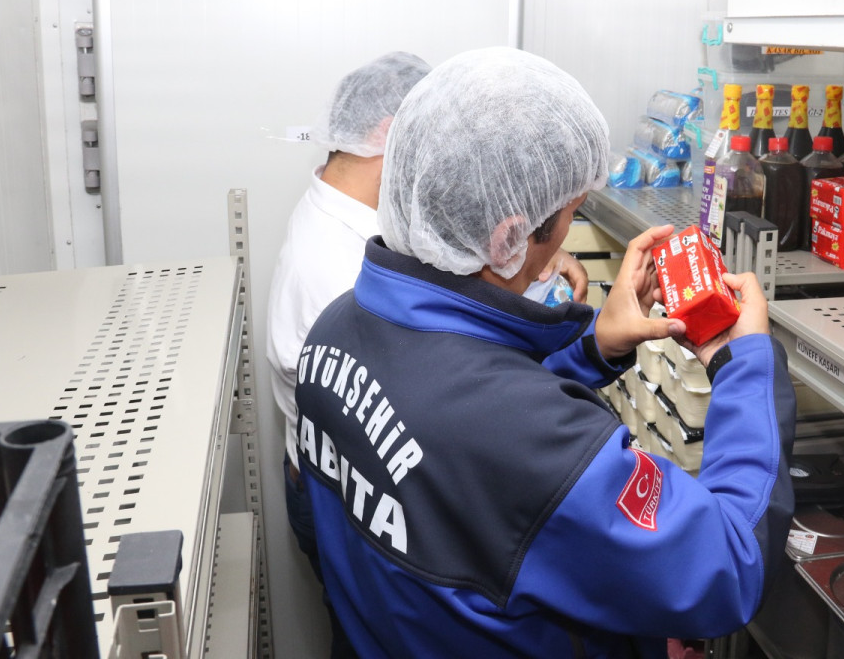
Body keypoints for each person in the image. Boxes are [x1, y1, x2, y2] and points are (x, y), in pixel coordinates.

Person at [294, 47, 797, 658]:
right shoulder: (527, 439)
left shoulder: (334, 329)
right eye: (568, 213)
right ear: (509, 236)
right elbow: (729, 564)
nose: (564, 233)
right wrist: (746, 365)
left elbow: (457, 427)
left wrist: (593, 346)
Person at [268, 51, 591, 656]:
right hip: (372, 493)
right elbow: (456, 399)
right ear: (395, 133)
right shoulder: (337, 270)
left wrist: (529, 251)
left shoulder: (339, 210)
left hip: (353, 479)